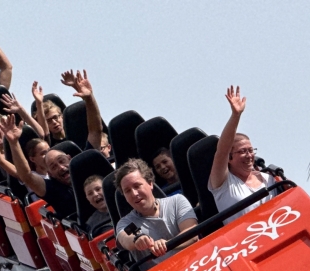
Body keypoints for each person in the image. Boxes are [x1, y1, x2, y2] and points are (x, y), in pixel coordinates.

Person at [208, 85, 277, 224]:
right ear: (230, 158)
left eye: (251, 150)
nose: (249, 155)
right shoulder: (223, 184)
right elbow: (222, 151)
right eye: (242, 151)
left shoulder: (269, 178)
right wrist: (236, 115)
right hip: (246, 241)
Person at [115, 159, 198, 262]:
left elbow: (192, 234)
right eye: (127, 191)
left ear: (150, 183)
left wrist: (166, 245)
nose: (134, 194)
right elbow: (125, 239)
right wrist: (137, 240)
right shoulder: (125, 223)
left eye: (137, 186)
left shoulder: (177, 201)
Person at [1, 115, 76, 218]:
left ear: (69, 158)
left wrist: (89, 100)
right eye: (54, 167)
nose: (61, 168)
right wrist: (14, 143)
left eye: (62, 161)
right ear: (50, 174)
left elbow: (95, 133)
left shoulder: (85, 173)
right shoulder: (54, 189)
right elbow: (27, 176)